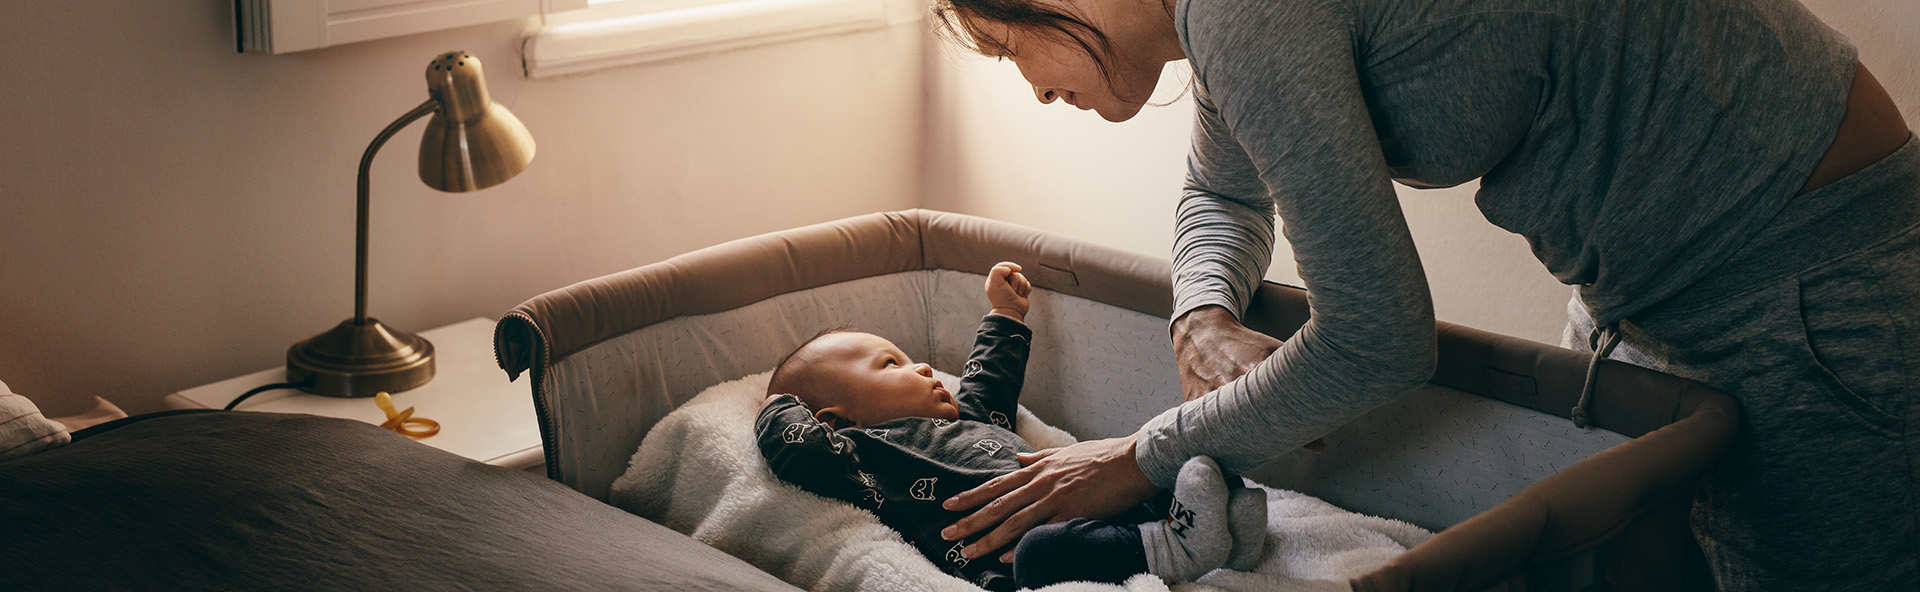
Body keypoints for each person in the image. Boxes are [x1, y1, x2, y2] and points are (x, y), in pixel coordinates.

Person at [925, 0, 1917, 589]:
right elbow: (1221, 189)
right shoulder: (1221, 25)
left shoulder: (1243, 10)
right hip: (1656, 284)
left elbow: (1382, 338)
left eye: (1012, 49)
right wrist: (1202, 314)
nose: (1036, 89)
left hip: (1802, 280)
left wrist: (1141, 457)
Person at [755, 261, 1268, 590]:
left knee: (1163, 468)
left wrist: (1004, 313)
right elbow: (797, 449)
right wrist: (776, 403)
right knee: (1043, 553)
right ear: (837, 419)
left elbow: (988, 385)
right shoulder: (862, 457)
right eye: (892, 366)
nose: (924, 368)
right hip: (1013, 553)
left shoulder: (968, 419)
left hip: (1082, 497)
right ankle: (1174, 547)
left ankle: (1217, 532)